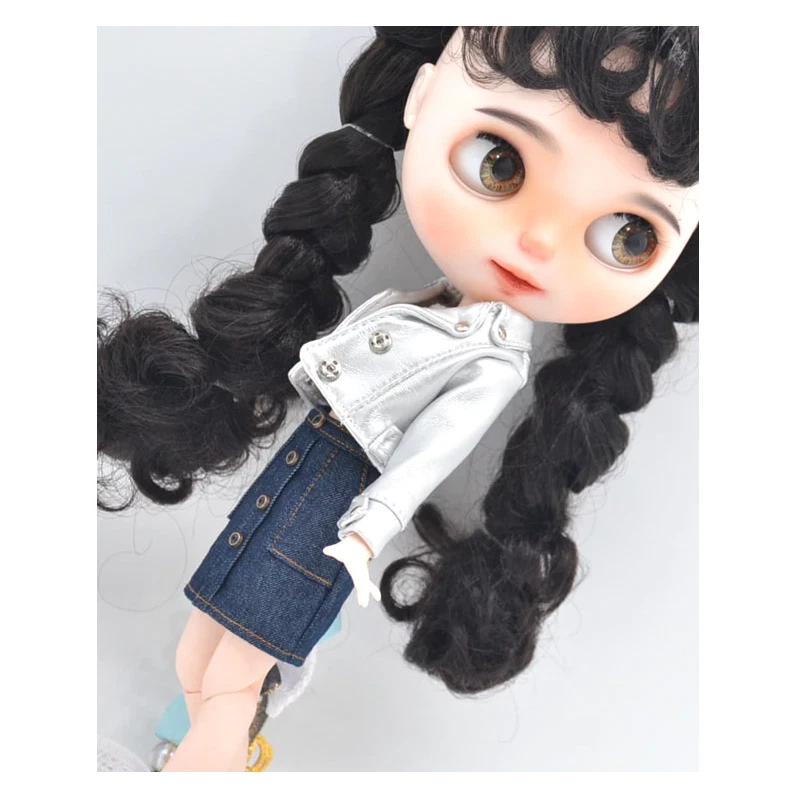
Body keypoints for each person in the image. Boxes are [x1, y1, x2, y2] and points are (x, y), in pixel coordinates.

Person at [98, 26, 699, 771]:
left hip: (334, 509)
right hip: (302, 471)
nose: (539, 243)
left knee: (230, 678)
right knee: (198, 656)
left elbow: (431, 451)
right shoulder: (433, 304)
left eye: (628, 235)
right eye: (499, 162)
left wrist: (367, 532)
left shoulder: (494, 361)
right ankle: (208, 752)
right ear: (420, 98)